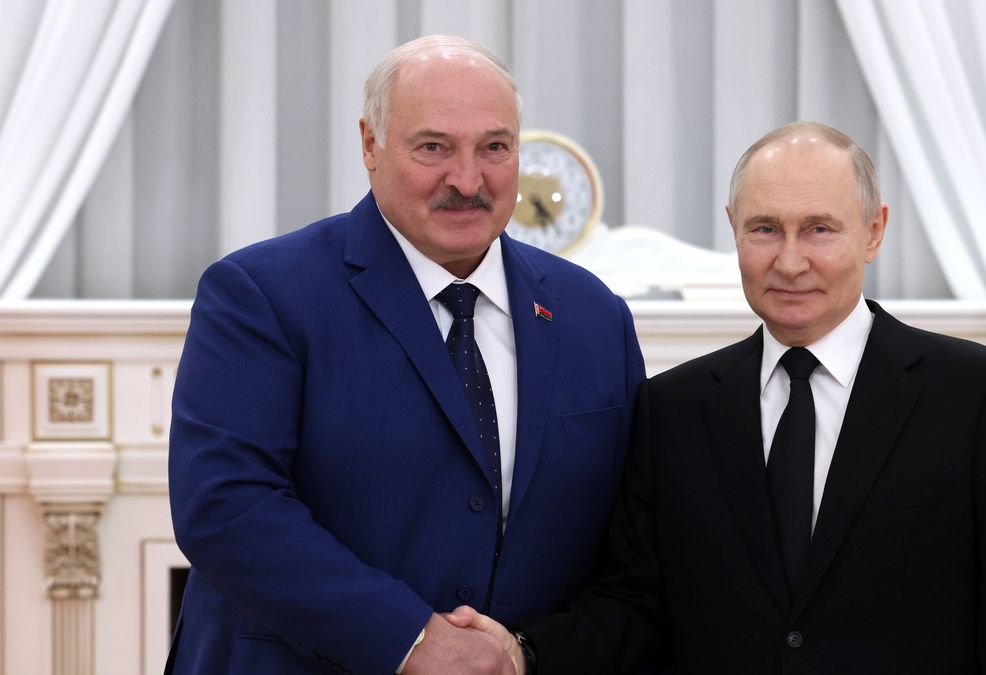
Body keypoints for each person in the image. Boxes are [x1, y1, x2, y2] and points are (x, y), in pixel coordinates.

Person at [451, 122, 986, 673]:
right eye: (766, 229)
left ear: (875, 231)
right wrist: (520, 653)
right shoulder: (674, 408)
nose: (790, 261)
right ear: (734, 230)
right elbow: (637, 607)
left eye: (820, 230)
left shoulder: (975, 394)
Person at [166, 35, 644, 674]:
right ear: (370, 144)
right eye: (433, 148)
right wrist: (411, 639)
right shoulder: (261, 294)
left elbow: (630, 547)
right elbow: (226, 508)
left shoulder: (594, 317)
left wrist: (528, 654)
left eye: (494, 147)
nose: (467, 179)